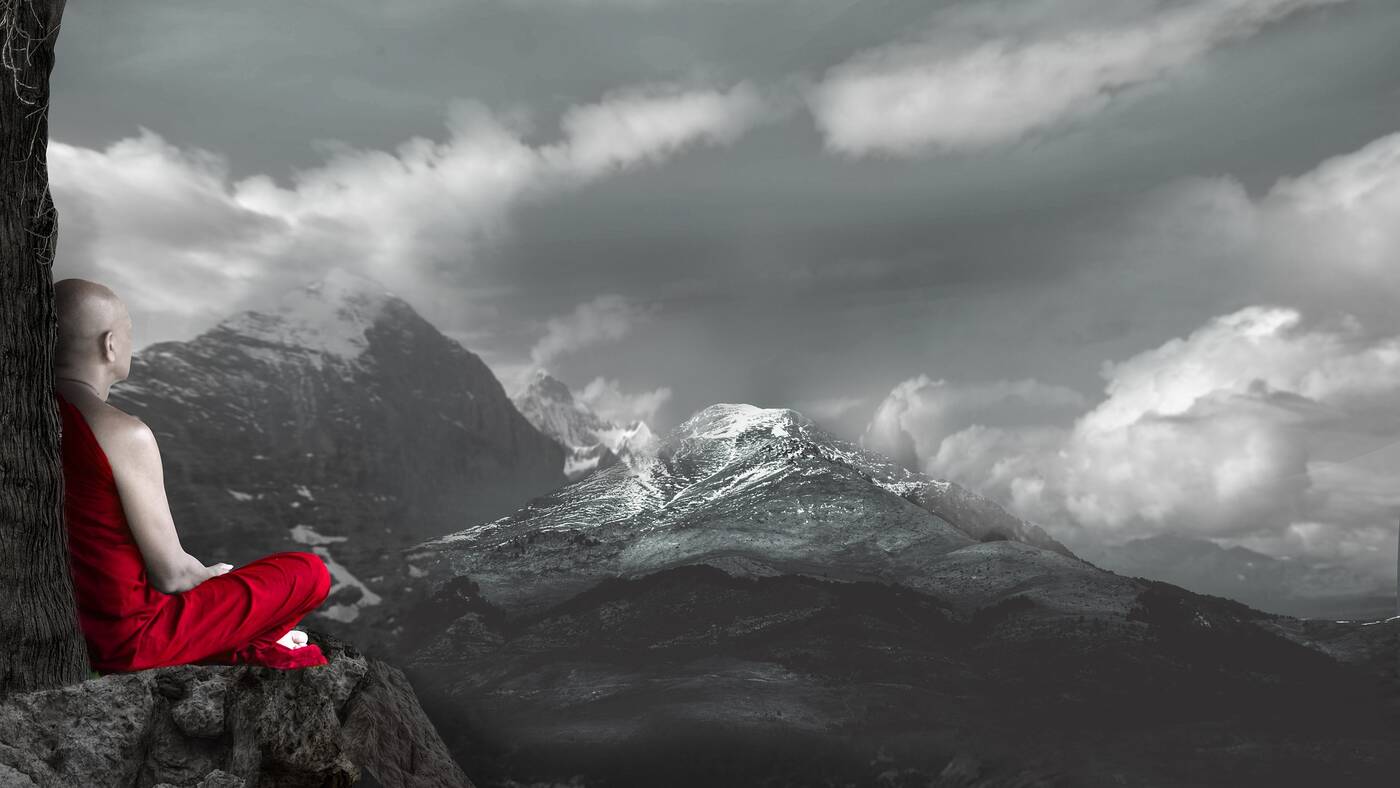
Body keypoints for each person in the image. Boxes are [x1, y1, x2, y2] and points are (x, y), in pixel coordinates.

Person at [52, 277, 332, 671]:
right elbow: (172, 575)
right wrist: (214, 579)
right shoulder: (123, 433)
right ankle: (252, 638)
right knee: (310, 573)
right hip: (129, 640)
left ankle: (245, 641)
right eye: (131, 331)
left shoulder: (29, 421)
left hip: (66, 627)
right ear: (109, 344)